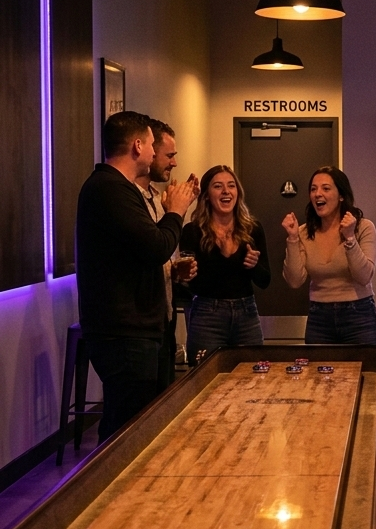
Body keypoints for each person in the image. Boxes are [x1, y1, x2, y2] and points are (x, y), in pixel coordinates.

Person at [76, 110, 197, 442]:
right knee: (126, 433)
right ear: (138, 145)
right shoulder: (109, 188)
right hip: (123, 333)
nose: (157, 155)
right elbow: (156, 246)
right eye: (153, 147)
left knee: (139, 425)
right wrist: (176, 210)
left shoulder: (119, 188)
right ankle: (108, 493)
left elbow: (135, 255)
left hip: (137, 330)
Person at [180, 165, 271, 362]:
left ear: (238, 192)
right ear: (206, 196)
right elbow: (189, 284)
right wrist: (186, 276)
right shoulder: (192, 231)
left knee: (251, 378)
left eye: (231, 186)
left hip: (246, 315)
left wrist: (254, 265)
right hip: (207, 316)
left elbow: (265, 280)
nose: (226, 191)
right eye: (218, 186)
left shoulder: (252, 229)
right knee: (205, 383)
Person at [282, 166, 376, 345]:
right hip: (319, 317)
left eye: (326, 189)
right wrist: (293, 239)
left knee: (364, 372)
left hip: (359, 314)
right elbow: (295, 281)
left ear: (341, 195)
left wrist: (350, 238)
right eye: (313, 189)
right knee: (317, 373)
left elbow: (364, 276)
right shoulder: (303, 232)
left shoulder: (363, 227)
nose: (318, 194)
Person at [136, 118, 196, 389]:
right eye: (169, 155)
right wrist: (177, 210)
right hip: (138, 328)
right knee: (135, 414)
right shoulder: (129, 197)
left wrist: (174, 269)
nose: (174, 163)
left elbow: (155, 254)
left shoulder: (154, 196)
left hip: (164, 319)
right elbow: (155, 247)